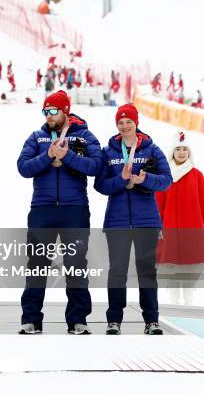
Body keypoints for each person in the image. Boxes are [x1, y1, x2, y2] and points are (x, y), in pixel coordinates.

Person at [17, 90, 103, 335]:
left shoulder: (84, 137)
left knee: (76, 266)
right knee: (36, 266)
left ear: (65, 110)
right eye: (45, 111)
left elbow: (96, 166)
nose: (48, 115)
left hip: (74, 210)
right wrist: (48, 156)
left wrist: (68, 157)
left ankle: (78, 320)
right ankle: (31, 319)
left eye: (53, 110)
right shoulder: (37, 137)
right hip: (42, 210)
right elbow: (23, 167)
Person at [94, 104, 172, 335]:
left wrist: (145, 180)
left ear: (136, 123)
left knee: (146, 271)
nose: (125, 126)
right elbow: (100, 185)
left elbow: (166, 180)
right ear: (117, 126)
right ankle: (114, 320)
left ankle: (151, 321)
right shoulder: (108, 152)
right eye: (121, 122)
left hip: (146, 221)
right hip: (117, 222)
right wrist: (122, 179)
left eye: (129, 122)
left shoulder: (151, 149)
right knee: (117, 271)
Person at [156, 131, 204, 305]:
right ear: (172, 152)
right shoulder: (165, 176)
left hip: (193, 232)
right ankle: (174, 305)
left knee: (190, 272)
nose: (182, 152)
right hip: (170, 231)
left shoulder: (197, 176)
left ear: (189, 152)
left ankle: (189, 307)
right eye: (178, 149)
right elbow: (158, 204)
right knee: (172, 271)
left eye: (185, 149)